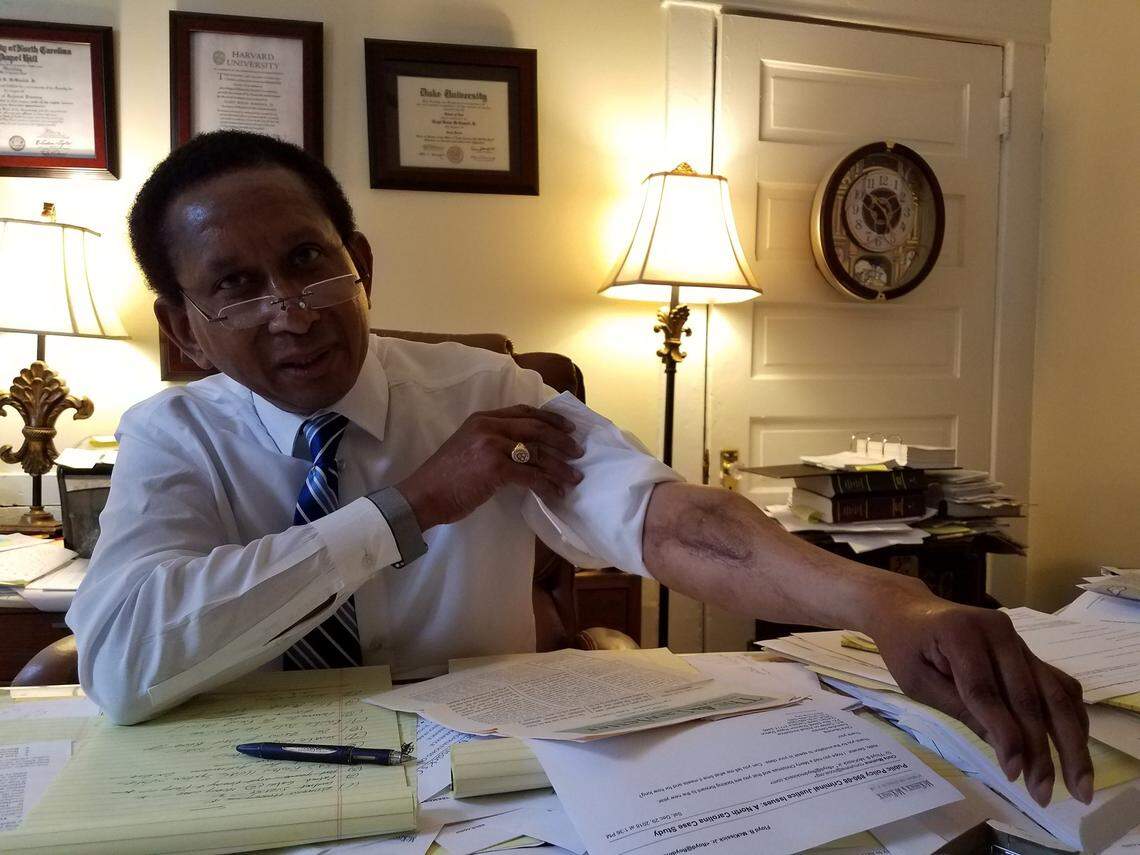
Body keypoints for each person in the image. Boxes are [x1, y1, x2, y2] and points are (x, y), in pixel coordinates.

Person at [68, 131, 1091, 809]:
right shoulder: (170, 435)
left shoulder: (484, 392)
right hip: (250, 786)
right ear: (185, 328)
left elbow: (667, 521)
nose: (291, 311)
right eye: (236, 288)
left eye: (308, 263)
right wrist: (411, 506)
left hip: (486, 790)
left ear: (361, 264)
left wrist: (890, 602)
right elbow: (121, 663)